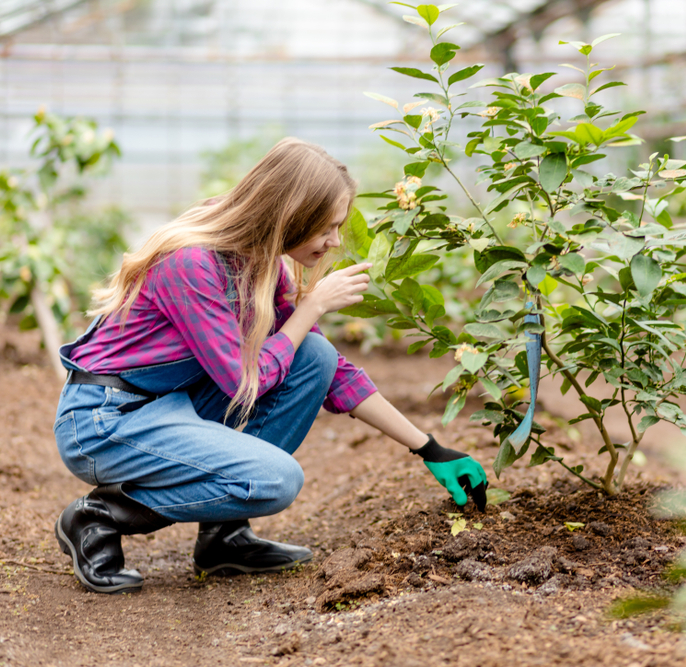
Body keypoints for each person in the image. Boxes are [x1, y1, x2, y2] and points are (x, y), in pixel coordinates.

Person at [52, 138, 488, 595]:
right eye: (328, 227)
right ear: (292, 214)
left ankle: (223, 538)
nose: (335, 241)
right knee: (275, 479)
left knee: (314, 357)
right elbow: (243, 384)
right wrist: (311, 307)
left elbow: (332, 372)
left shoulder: (260, 261)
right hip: (107, 420)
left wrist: (430, 448)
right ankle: (97, 516)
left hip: (172, 403)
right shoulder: (192, 263)